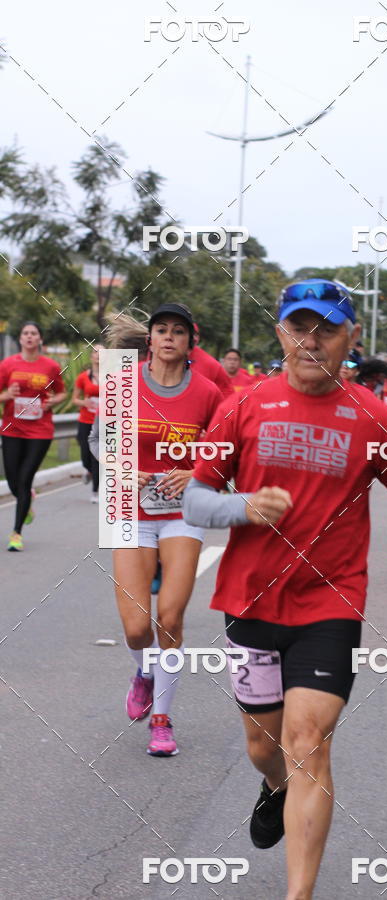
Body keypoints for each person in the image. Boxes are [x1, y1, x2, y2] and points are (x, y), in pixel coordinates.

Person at [183, 278, 387, 900]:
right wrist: (243, 506)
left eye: (326, 329)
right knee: (264, 745)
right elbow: (195, 499)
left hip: (331, 602)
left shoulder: (372, 416)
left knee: (308, 743)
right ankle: (274, 787)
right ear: (281, 333)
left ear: (351, 338)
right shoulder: (244, 406)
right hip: (250, 598)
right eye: (300, 327)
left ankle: (298, 894)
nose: (311, 341)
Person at [91, 304, 223, 756]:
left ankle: (162, 721)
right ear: (149, 339)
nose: (169, 336)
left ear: (190, 343)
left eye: (178, 331)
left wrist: (198, 473)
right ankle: (144, 671)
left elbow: (223, 450)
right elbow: (99, 442)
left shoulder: (206, 393)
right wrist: (121, 469)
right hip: (129, 510)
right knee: (135, 628)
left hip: (182, 514)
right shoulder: (123, 384)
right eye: (161, 329)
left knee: (169, 617)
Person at [0, 321, 66, 551]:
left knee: (25, 478)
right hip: (12, 428)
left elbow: (61, 393)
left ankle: (16, 533)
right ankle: (26, 501)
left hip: (40, 429)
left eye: (33, 333)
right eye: (25, 333)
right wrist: (7, 394)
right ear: (20, 339)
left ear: (39, 339)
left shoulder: (50, 366)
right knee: (13, 480)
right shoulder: (8, 364)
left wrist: (52, 402)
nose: (29, 336)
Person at [72, 345, 101, 502]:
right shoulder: (83, 377)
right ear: (91, 356)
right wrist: (84, 402)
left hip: (103, 423)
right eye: (96, 352)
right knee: (85, 457)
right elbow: (75, 399)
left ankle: (95, 492)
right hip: (85, 421)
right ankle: (88, 471)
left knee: (97, 458)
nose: (99, 355)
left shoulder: (113, 377)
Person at [190, 322, 234, 397]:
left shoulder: (211, 364)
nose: (194, 338)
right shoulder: (169, 360)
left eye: (196, 334)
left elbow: (228, 395)